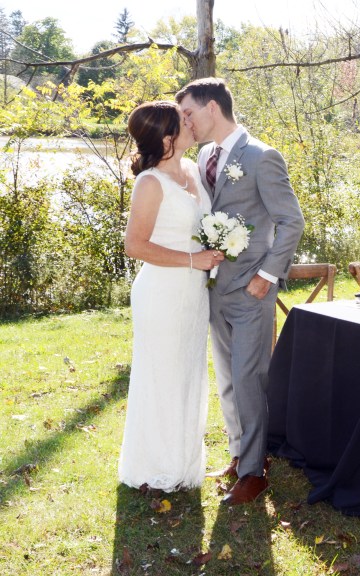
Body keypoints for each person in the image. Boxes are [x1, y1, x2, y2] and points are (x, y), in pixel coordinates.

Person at [176, 78, 305, 505]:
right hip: (214, 288)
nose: (186, 122)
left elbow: (291, 222)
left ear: (212, 107)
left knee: (250, 379)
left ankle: (255, 473)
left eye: (189, 113)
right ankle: (239, 455)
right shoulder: (205, 154)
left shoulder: (262, 156)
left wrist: (267, 276)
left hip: (251, 289)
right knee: (229, 380)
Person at [118, 101, 225, 492]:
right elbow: (135, 245)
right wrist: (194, 259)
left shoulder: (194, 170)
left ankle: (183, 464)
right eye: (183, 121)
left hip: (193, 294)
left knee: (188, 373)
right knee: (161, 375)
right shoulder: (150, 183)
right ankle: (154, 467)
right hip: (162, 293)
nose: (190, 123)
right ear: (167, 138)